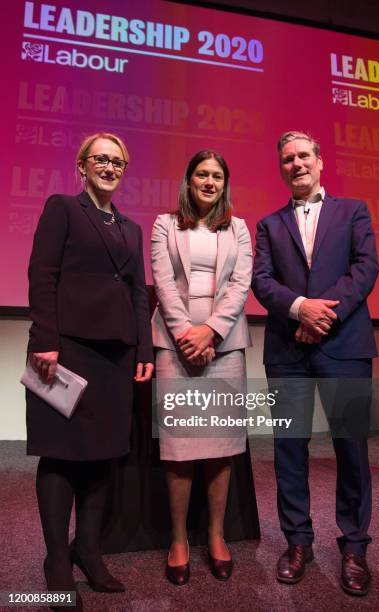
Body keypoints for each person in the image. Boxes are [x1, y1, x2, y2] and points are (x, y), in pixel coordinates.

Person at [26, 132, 154, 611]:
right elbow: (42, 274)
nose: (109, 166)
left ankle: (89, 550)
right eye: (100, 159)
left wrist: (143, 344)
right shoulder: (62, 207)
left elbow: (138, 292)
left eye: (117, 161)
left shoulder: (131, 228)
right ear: (82, 165)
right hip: (66, 350)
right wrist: (45, 339)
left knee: (102, 455)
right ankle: (57, 561)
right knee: (60, 454)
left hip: (116, 355)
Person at [252, 131, 378, 596]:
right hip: (288, 353)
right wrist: (299, 308)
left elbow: (365, 268)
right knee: (289, 450)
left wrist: (322, 314)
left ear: (320, 161)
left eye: (304, 156)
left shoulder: (354, 211)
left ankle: (355, 547)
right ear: (281, 168)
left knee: (352, 449)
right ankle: (298, 541)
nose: (297, 164)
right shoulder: (268, 225)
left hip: (345, 346)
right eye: (288, 159)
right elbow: (261, 281)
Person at [151, 150, 252, 585]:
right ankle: (178, 540)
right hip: (175, 346)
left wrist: (210, 331)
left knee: (221, 448)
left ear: (224, 183)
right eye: (201, 175)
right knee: (178, 450)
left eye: (216, 176)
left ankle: (216, 535)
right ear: (188, 181)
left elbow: (240, 283)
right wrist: (186, 335)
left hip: (225, 348)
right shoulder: (164, 224)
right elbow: (162, 282)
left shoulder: (240, 228)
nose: (209, 182)